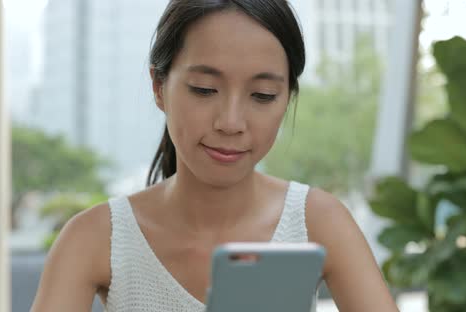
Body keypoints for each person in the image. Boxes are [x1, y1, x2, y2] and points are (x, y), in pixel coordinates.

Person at [30, 0, 398, 311]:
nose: (231, 122)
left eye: (263, 95)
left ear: (287, 99)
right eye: (204, 90)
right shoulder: (95, 238)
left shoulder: (318, 221)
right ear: (159, 87)